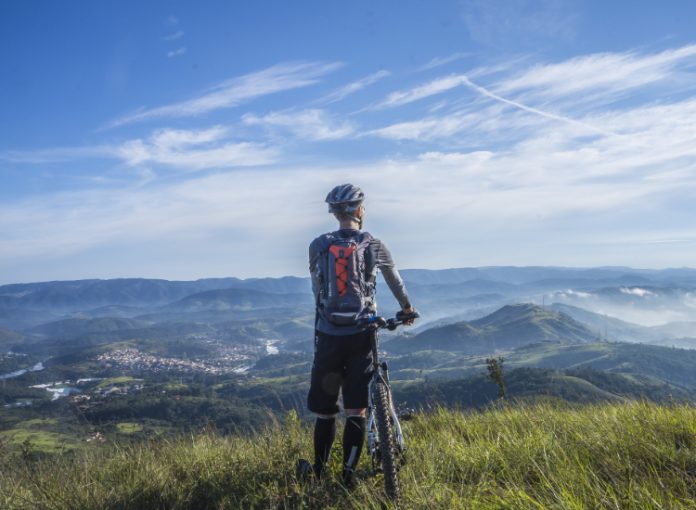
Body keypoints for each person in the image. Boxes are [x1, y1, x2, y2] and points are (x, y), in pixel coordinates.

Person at [300, 183, 416, 487]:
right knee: (356, 409)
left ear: (334, 213)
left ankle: (318, 473)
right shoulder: (373, 244)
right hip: (362, 333)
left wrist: (322, 324)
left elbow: (317, 290)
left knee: (325, 413)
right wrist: (406, 308)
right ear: (360, 210)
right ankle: (348, 475)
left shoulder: (318, 246)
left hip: (328, 334)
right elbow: (395, 280)